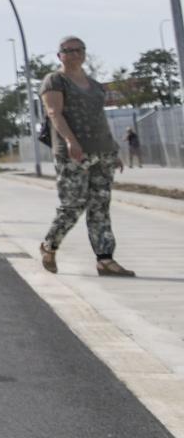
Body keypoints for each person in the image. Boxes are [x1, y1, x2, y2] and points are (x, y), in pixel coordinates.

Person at [41, 37, 134, 277]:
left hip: (102, 151)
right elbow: (54, 113)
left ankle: (105, 259)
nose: (73, 54)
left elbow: (99, 118)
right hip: (74, 153)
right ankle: (50, 244)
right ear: (59, 55)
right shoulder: (55, 80)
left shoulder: (94, 85)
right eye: (67, 50)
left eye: (78, 50)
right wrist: (71, 141)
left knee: (100, 206)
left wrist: (113, 149)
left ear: (84, 53)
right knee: (73, 204)